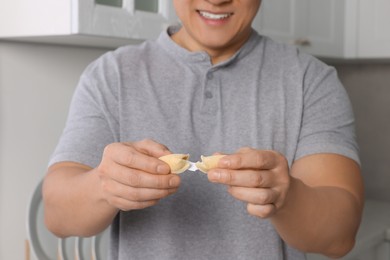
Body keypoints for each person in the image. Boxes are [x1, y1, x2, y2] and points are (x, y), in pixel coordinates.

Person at [42, 0, 364, 259]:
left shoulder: (312, 81)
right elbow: (56, 215)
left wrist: (287, 197)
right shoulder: (109, 77)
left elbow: (340, 237)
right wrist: (103, 185)